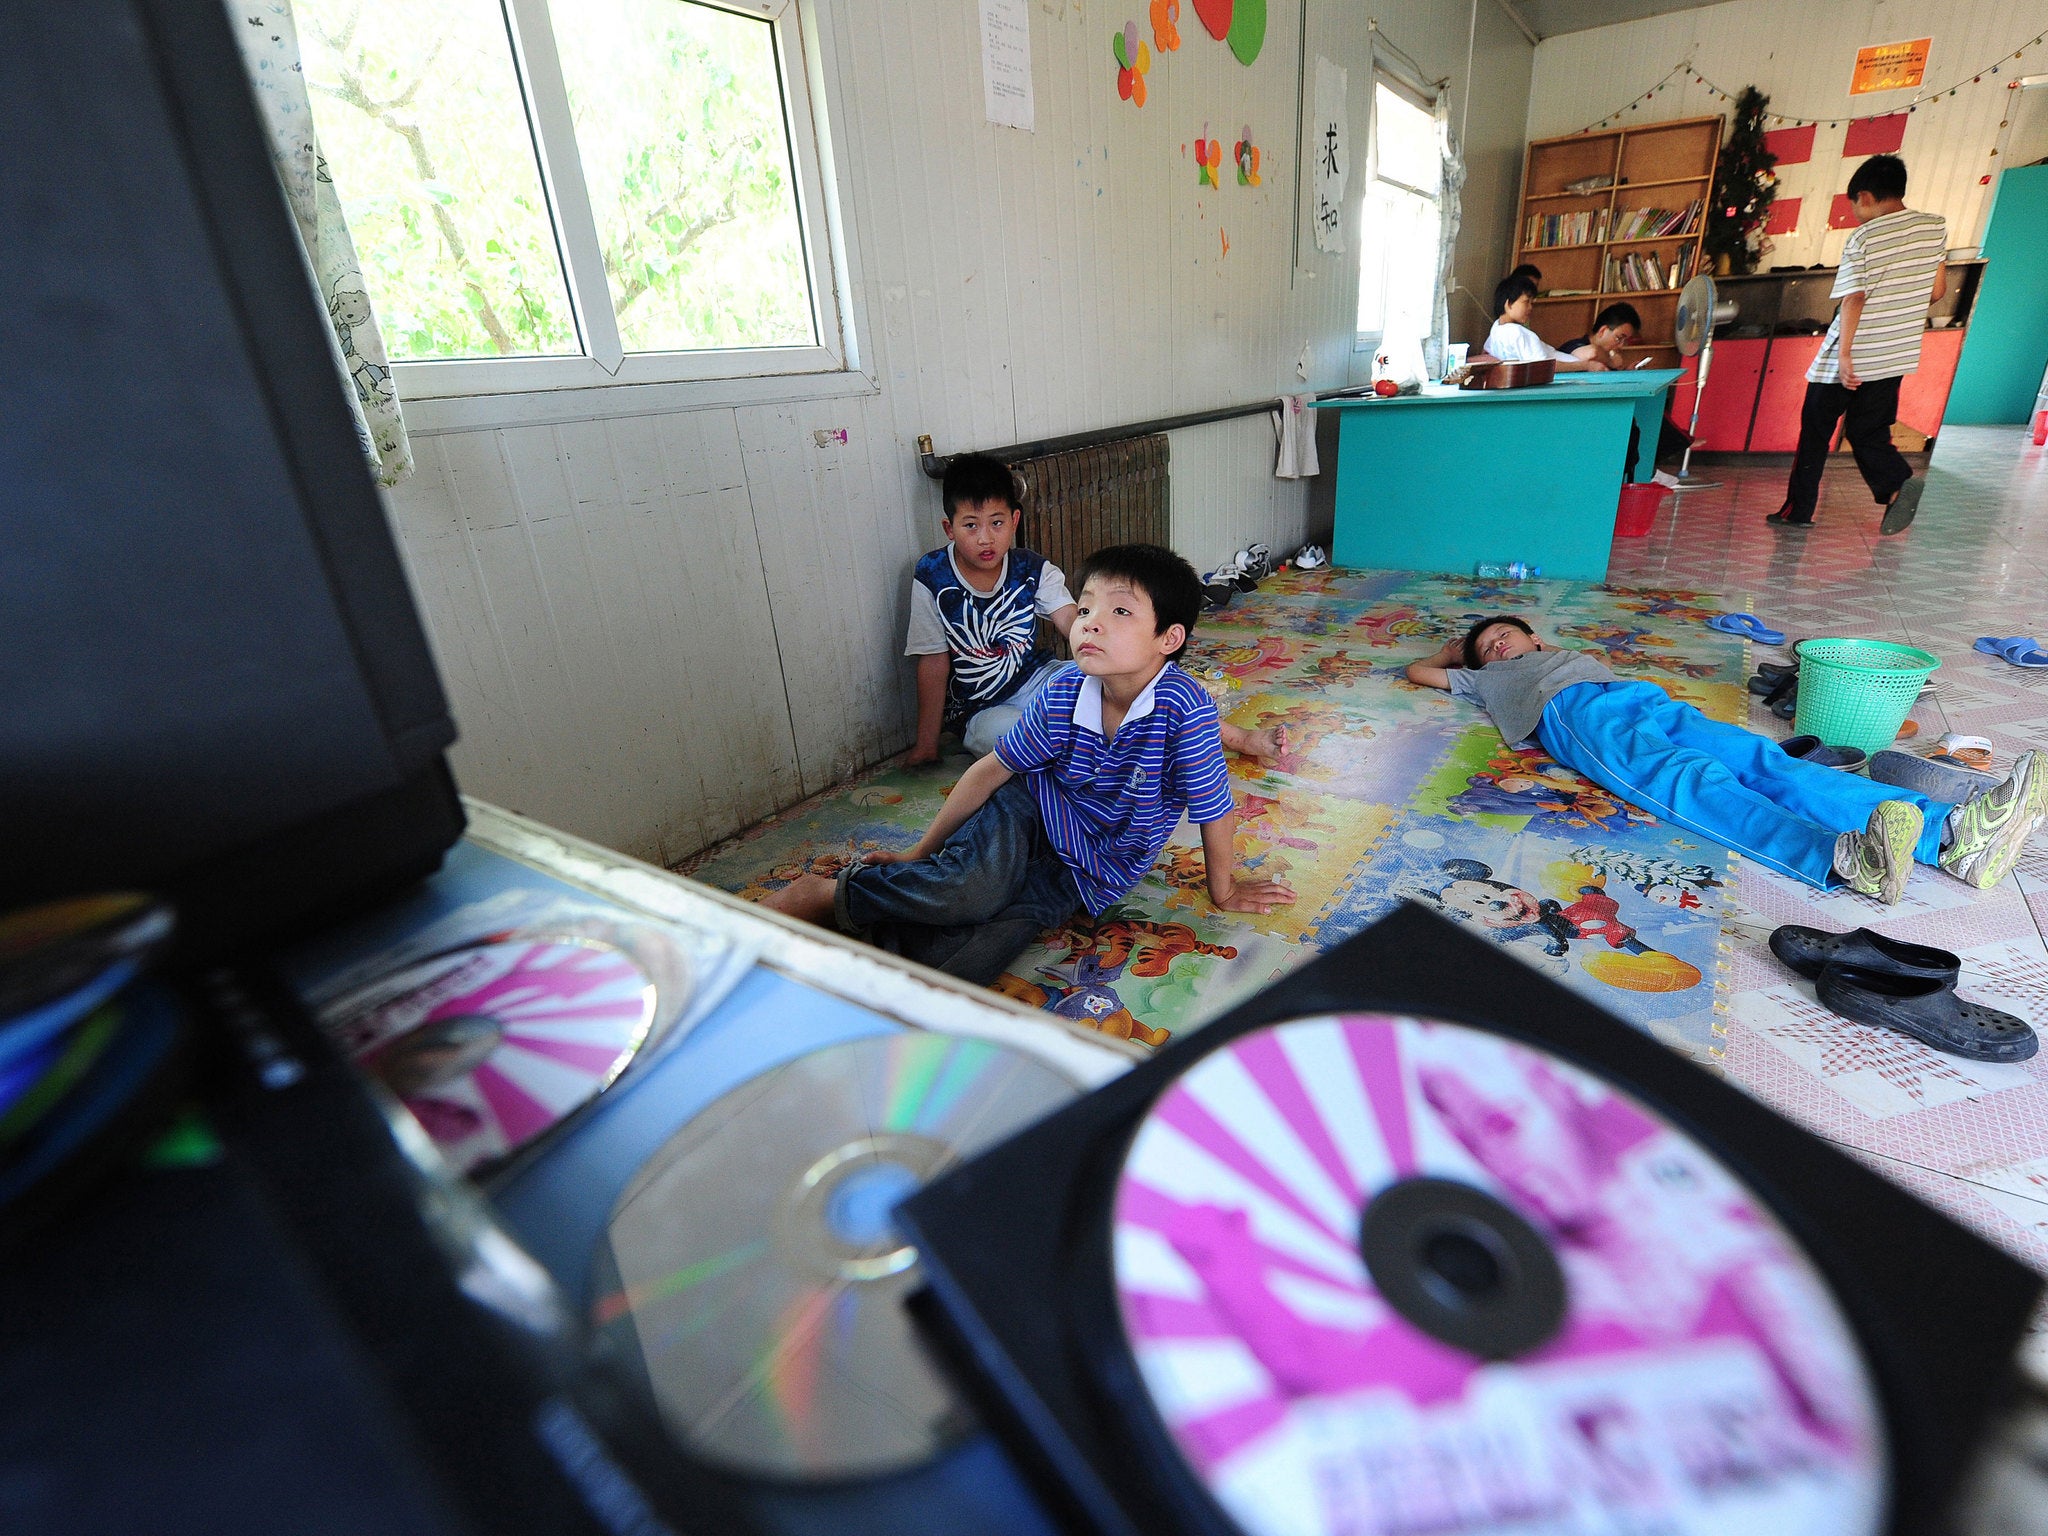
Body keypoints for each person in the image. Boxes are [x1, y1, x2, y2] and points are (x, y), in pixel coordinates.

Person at [764, 545, 1297, 982]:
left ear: (1169, 639)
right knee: (966, 890)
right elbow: (991, 771)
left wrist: (1222, 890)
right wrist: (917, 851)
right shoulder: (1065, 689)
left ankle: (873, 937)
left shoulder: (1187, 711)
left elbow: (1214, 808)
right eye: (1085, 609)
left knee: (961, 967)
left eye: (1120, 611)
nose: (1090, 624)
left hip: (1084, 871)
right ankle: (826, 894)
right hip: (1029, 815)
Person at [1405, 615, 2045, 905]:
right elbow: (1418, 670)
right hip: (1577, 718)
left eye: (1504, 635)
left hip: (1643, 701)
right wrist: (1459, 654)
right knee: (1687, 778)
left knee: (1765, 759)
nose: (1495, 644)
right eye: (1485, 648)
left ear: (1535, 636)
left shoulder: (1564, 649)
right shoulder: (1484, 679)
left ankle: (1953, 835)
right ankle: (1845, 863)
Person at [1768, 154, 1946, 535]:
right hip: (1895, 352)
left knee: (1815, 429)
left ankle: (1798, 511)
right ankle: (1897, 485)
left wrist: (1846, 355)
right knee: (1869, 431)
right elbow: (1936, 291)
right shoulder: (1934, 228)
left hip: (1851, 353)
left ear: (1864, 196)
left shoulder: (1864, 237)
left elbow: (1853, 298)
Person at [903, 453, 1077, 765]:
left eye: (996, 523)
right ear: (950, 528)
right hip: (981, 710)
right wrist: (926, 744)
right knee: (1018, 737)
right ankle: (1071, 749)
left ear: (1014, 521)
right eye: (970, 525)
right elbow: (932, 661)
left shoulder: (1032, 568)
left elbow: (1072, 622)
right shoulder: (932, 575)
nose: (985, 539)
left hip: (1037, 679)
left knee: (1096, 685)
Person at [1480, 275, 1603, 370]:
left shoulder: (1496, 328)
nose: (1530, 307)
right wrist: (1586, 366)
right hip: (1574, 374)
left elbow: (1486, 351)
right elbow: (1544, 367)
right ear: (1508, 304)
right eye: (1526, 302)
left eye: (1531, 303)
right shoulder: (1518, 333)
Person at [1561, 302, 1640, 370]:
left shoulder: (1606, 356)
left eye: (1625, 340)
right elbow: (1592, 353)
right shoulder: (1574, 346)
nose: (1621, 346)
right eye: (1619, 338)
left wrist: (1626, 372)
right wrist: (1610, 361)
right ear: (1602, 331)